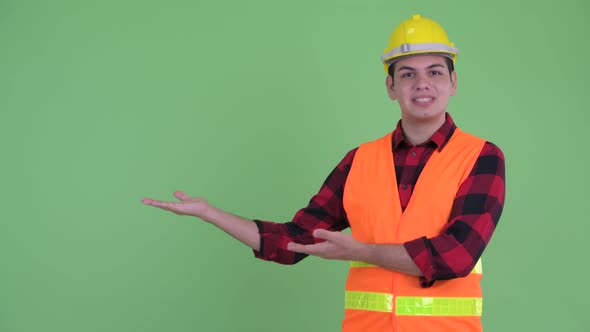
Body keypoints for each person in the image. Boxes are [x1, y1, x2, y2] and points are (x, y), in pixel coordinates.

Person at [142, 14, 505, 332]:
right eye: (407, 74)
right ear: (391, 87)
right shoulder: (358, 161)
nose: (422, 83)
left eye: (435, 72)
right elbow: (294, 241)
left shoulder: (481, 157)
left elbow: (456, 255)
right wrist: (210, 213)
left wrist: (360, 250)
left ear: (453, 83)